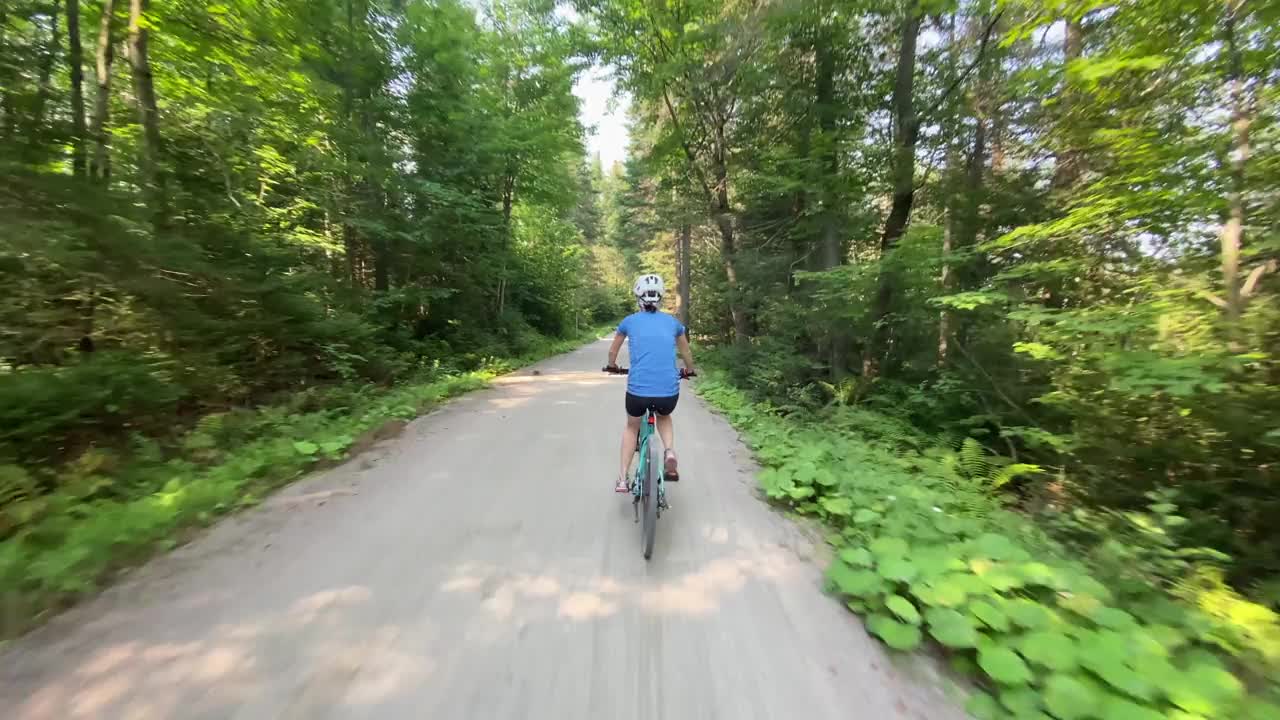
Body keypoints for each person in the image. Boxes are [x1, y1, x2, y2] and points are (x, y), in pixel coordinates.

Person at [605, 274, 696, 493]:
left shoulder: (629, 321)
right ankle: (670, 451)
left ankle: (623, 479)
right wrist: (689, 370)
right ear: (660, 298)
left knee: (631, 426)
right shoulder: (674, 323)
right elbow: (686, 352)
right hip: (668, 392)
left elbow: (612, 351)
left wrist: (612, 366)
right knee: (664, 416)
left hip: (638, 392)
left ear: (638, 297)